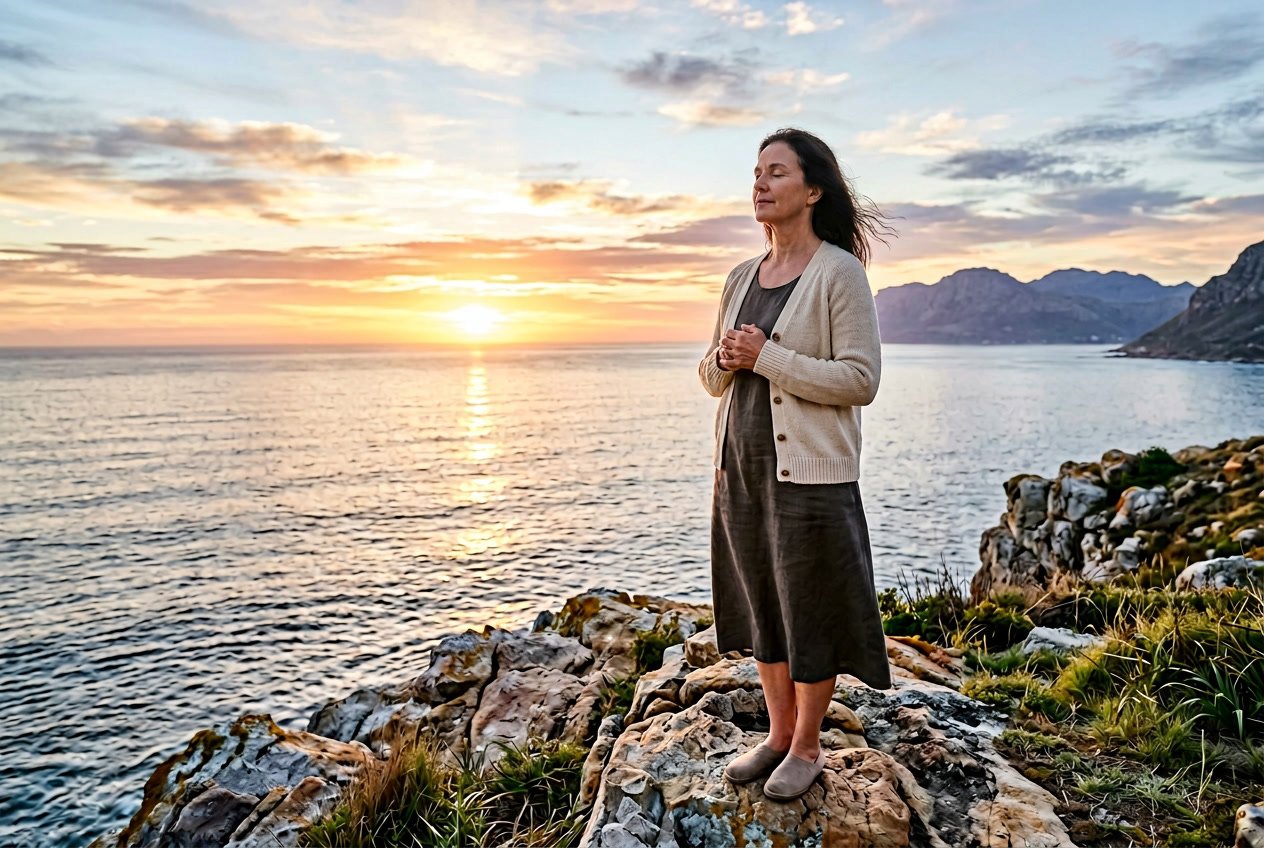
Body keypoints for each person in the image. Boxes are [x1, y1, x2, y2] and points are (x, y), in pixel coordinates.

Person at [698, 127, 893, 803]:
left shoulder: (839, 272)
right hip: (740, 473)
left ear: (812, 190)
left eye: (776, 172)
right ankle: (778, 734)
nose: (759, 183)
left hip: (811, 477)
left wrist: (767, 357)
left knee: (808, 611)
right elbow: (710, 374)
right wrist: (724, 361)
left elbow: (860, 379)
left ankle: (808, 745)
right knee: (762, 611)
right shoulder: (738, 278)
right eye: (756, 171)